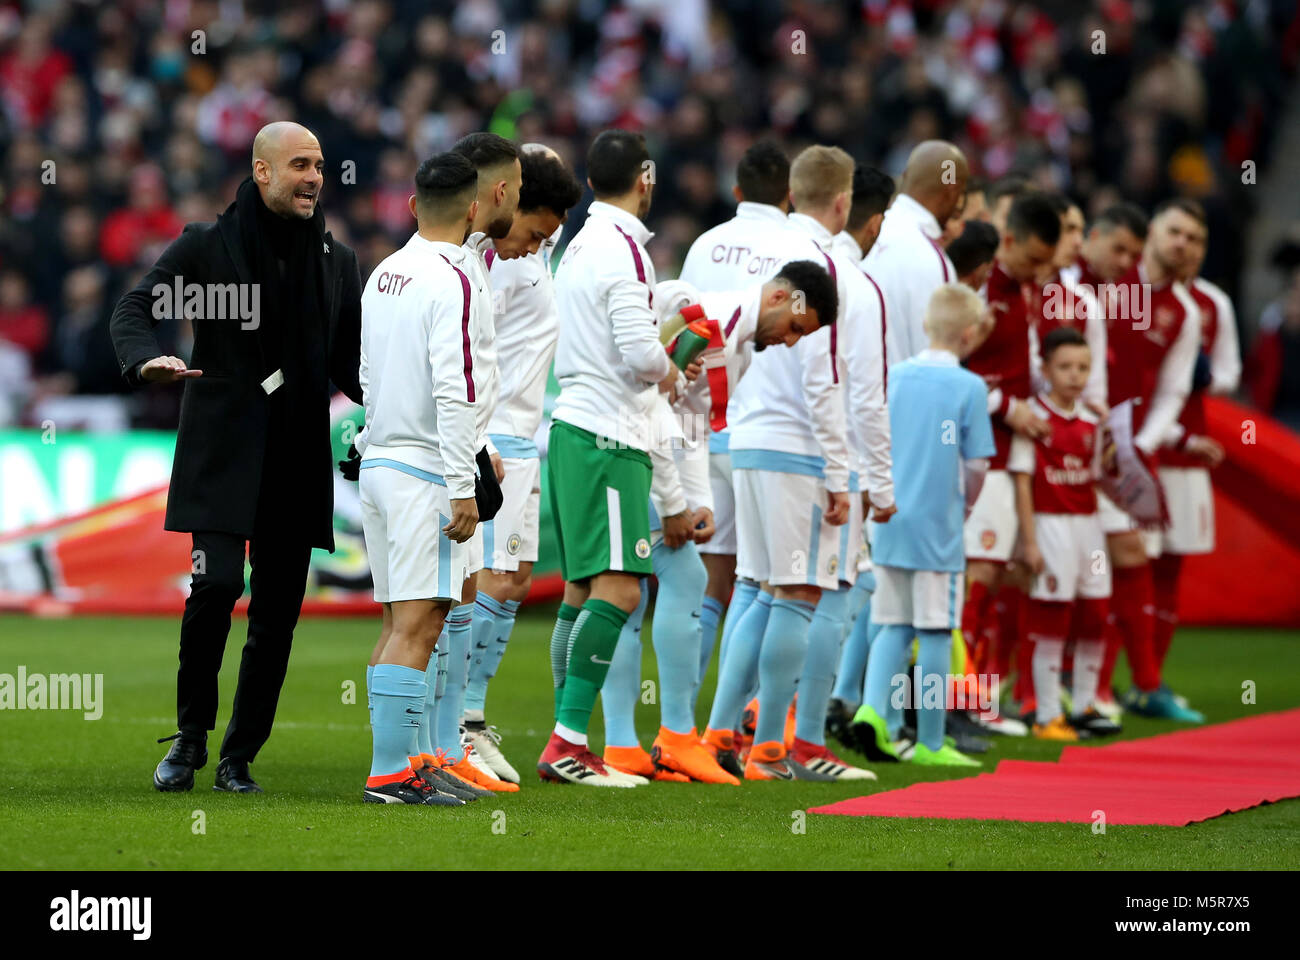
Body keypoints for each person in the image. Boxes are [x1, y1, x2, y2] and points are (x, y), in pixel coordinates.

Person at [110, 121, 363, 794]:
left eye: (320, 166)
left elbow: (354, 366)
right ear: (262, 172)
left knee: (277, 612)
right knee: (217, 585)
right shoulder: (208, 249)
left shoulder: (337, 262)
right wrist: (147, 360)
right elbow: (134, 310)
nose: (315, 177)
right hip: (222, 450)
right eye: (301, 165)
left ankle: (238, 755)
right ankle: (190, 737)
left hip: (296, 456)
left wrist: (399, 423)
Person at [599, 261, 838, 784]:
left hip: (637, 454)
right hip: (623, 450)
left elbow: (695, 418)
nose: (793, 342)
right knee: (644, 586)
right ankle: (661, 737)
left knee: (635, 589)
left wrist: (697, 497)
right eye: (797, 328)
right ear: (779, 298)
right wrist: (675, 499)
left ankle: (635, 740)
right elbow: (656, 401)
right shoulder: (702, 318)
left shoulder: (734, 339)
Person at [538, 129, 692, 787]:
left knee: (581, 591)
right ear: (646, 177)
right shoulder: (624, 248)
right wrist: (673, 364)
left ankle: (566, 735)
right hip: (609, 436)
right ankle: (569, 742)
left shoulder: (577, 246)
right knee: (622, 588)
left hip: (577, 427)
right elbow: (637, 352)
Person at [701, 145, 859, 782]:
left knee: (755, 588)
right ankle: (770, 748)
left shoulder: (755, 254)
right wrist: (843, 473)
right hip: (795, 448)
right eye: (797, 328)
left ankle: (718, 732)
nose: (794, 335)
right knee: (796, 592)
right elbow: (826, 382)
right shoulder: (823, 268)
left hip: (743, 436)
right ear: (841, 201)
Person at [356, 151, 487, 806]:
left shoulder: (384, 274)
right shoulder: (450, 279)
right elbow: (456, 388)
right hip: (422, 469)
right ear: (472, 211)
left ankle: (406, 760)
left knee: (402, 620)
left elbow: (367, 377)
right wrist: (462, 483)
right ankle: (389, 773)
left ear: (412, 207)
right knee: (419, 621)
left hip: (380, 460)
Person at [464, 144, 582, 784]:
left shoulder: (528, 257)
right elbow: (475, 351)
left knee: (511, 577)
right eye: (542, 226)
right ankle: (462, 721)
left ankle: (471, 717)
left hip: (518, 434)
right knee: (488, 579)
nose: (545, 239)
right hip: (497, 438)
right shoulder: (502, 264)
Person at [852, 284, 995, 767]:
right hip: (938, 525)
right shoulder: (970, 388)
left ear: (928, 326)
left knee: (891, 623)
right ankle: (931, 742)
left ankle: (877, 717)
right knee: (935, 630)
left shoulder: (895, 377)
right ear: (971, 333)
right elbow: (976, 467)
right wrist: (965, 509)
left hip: (889, 518)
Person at [678, 141, 796, 697]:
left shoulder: (706, 243)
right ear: (790, 195)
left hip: (702, 426)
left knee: (713, 576)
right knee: (761, 582)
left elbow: (679, 326)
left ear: (738, 191)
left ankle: (684, 715)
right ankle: (740, 716)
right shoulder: (798, 246)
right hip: (767, 431)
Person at [423, 132, 522, 795]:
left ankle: (443, 743)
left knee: (455, 601)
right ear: (495, 190)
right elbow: (447, 376)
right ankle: (420, 756)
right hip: (438, 457)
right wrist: (467, 466)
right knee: (423, 613)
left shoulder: (469, 261)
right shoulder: (451, 267)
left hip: (464, 448)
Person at [1093, 198, 1204, 722]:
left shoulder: (1184, 313)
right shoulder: (1107, 280)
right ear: (1152, 231)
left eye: (1192, 237)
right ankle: (1049, 686)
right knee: (1061, 563)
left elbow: (1172, 391)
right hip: (1074, 438)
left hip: (1131, 453)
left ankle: (1138, 685)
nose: (1181, 243)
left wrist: (1141, 444)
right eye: (1174, 231)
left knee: (1134, 559)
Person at [959, 193, 1058, 730]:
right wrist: (1007, 407)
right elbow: (949, 365)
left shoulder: (1023, 289)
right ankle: (964, 701)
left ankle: (979, 697)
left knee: (997, 578)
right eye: (1033, 259)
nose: (1041, 271)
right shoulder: (977, 291)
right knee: (980, 575)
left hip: (1008, 449)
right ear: (1010, 241)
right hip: (982, 450)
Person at [1008, 326, 1119, 742]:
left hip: (1089, 527)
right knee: (1052, 618)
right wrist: (1029, 541)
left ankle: (1086, 705)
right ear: (1046, 369)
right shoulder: (1032, 418)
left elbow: (1097, 476)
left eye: (1083, 368)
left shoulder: (1093, 419)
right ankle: (1047, 713)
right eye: (1065, 367)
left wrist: (1113, 447)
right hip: (1051, 525)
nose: (1075, 375)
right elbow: (1022, 482)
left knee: (1095, 614)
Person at [865, 140, 967, 365]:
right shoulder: (931, 258)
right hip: (903, 397)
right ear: (952, 191)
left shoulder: (866, 234)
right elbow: (935, 362)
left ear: (905, 175)